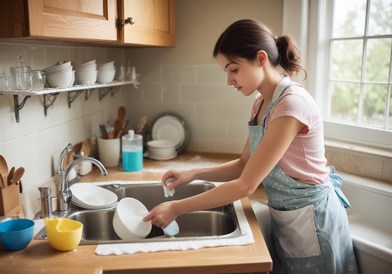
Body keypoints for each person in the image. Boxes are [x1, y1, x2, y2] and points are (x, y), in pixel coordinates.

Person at [143, 19, 358, 274]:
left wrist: (176, 208)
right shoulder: (260, 103)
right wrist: (194, 173)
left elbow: (246, 184)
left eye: (233, 70)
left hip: (314, 223)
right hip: (291, 221)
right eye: (226, 72)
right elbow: (245, 163)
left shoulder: (292, 104)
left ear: (260, 58)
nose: (229, 80)